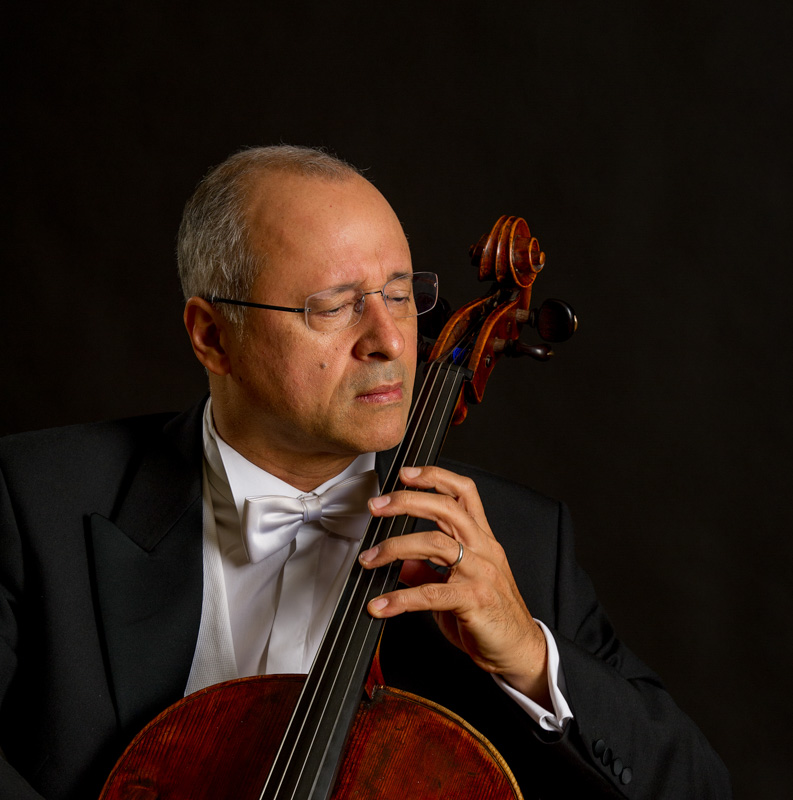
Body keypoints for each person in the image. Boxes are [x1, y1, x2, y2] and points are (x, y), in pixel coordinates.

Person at [0, 145, 730, 799]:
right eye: (334, 307)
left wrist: (526, 655)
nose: (389, 340)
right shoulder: (35, 502)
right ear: (213, 336)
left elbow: (694, 787)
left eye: (401, 293)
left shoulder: (512, 542)